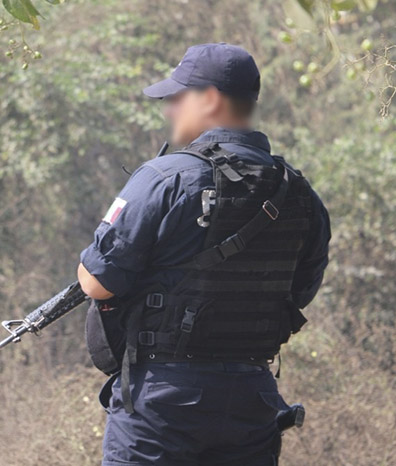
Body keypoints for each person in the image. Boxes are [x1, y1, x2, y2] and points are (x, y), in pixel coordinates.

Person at [77, 43, 331, 466]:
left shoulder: (164, 176)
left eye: (177, 98)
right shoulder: (300, 193)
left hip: (162, 403)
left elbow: (96, 282)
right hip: (252, 400)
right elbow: (300, 291)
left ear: (210, 99)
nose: (169, 111)